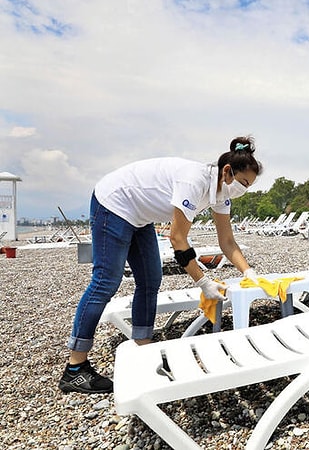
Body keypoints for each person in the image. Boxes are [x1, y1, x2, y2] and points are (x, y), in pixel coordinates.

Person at [59, 136, 262, 394]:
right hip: (114, 202)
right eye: (244, 183)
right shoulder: (194, 181)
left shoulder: (221, 193)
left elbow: (228, 241)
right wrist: (203, 282)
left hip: (141, 215)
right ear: (227, 172)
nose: (244, 189)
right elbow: (177, 239)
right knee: (105, 282)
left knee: (151, 280)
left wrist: (249, 272)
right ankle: (75, 369)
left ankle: (144, 350)